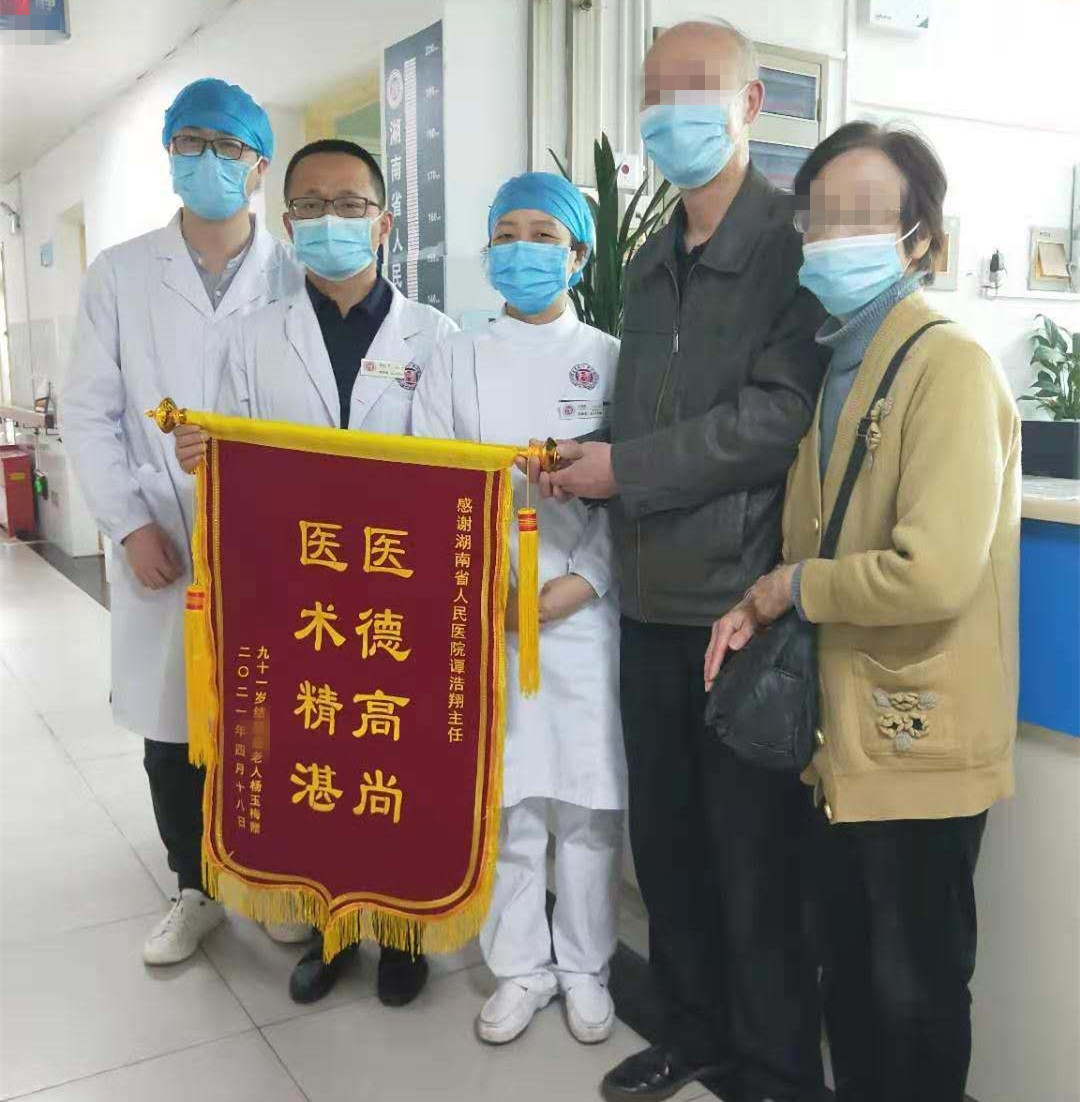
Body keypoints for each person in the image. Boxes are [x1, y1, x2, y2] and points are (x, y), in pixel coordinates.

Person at [534, 19, 830, 1102]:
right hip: (647, 601)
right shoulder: (655, 258)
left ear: (750, 104)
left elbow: (776, 417)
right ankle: (694, 1033)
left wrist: (627, 468)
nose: (670, 111)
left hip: (740, 609)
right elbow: (645, 410)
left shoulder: (793, 247)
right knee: (666, 848)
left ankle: (776, 1068)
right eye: (655, 92)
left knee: (753, 859)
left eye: (695, 87)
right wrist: (582, 458)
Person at [705, 122, 1020, 1102]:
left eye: (863, 215)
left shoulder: (950, 366)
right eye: (821, 215)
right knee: (849, 981)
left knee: (914, 997)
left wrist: (793, 587)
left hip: (917, 745)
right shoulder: (842, 363)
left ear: (922, 239)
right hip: (841, 743)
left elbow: (934, 574)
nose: (834, 235)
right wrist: (764, 599)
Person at [175, 138, 456, 1008]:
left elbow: (451, 465)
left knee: (397, 762)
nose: (330, 220)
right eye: (310, 205)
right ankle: (331, 929)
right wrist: (201, 451)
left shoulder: (437, 337)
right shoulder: (250, 338)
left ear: (384, 222)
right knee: (318, 764)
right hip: (297, 596)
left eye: (349, 204)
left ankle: (402, 933)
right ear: (288, 222)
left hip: (397, 593)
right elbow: (223, 459)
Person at [62, 78, 305, 967]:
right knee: (174, 728)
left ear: (258, 166)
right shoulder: (120, 273)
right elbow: (88, 411)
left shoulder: (295, 274)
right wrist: (130, 525)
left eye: (228, 147)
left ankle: (271, 879)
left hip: (277, 545)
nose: (208, 160)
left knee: (271, 720)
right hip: (165, 535)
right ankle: (195, 887)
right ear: (170, 154)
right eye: (190, 142)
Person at [411, 172, 626, 1047]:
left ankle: (585, 967)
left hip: (584, 610)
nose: (523, 250)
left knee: (588, 802)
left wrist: (583, 582)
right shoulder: (455, 356)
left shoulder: (612, 357)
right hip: (486, 611)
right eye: (507, 234)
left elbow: (633, 489)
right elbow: (429, 481)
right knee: (508, 801)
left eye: (545, 235)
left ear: (579, 254)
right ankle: (521, 969)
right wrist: (487, 593)